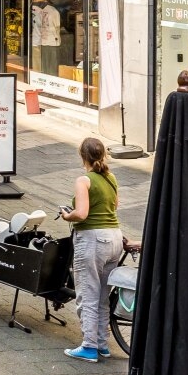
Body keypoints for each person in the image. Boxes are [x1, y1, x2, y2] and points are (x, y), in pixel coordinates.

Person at [60, 136, 125, 363]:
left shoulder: (84, 180)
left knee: (88, 294)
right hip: (115, 238)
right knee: (102, 297)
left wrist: (67, 215)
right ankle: (102, 344)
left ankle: (88, 346)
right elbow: (115, 205)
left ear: (82, 156)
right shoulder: (110, 177)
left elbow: (82, 213)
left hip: (93, 239)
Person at [31, 0, 62, 76]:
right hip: (49, 41)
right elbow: (57, 26)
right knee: (50, 66)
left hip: (38, 40)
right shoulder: (52, 10)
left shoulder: (32, 8)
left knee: (39, 66)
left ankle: (38, 79)